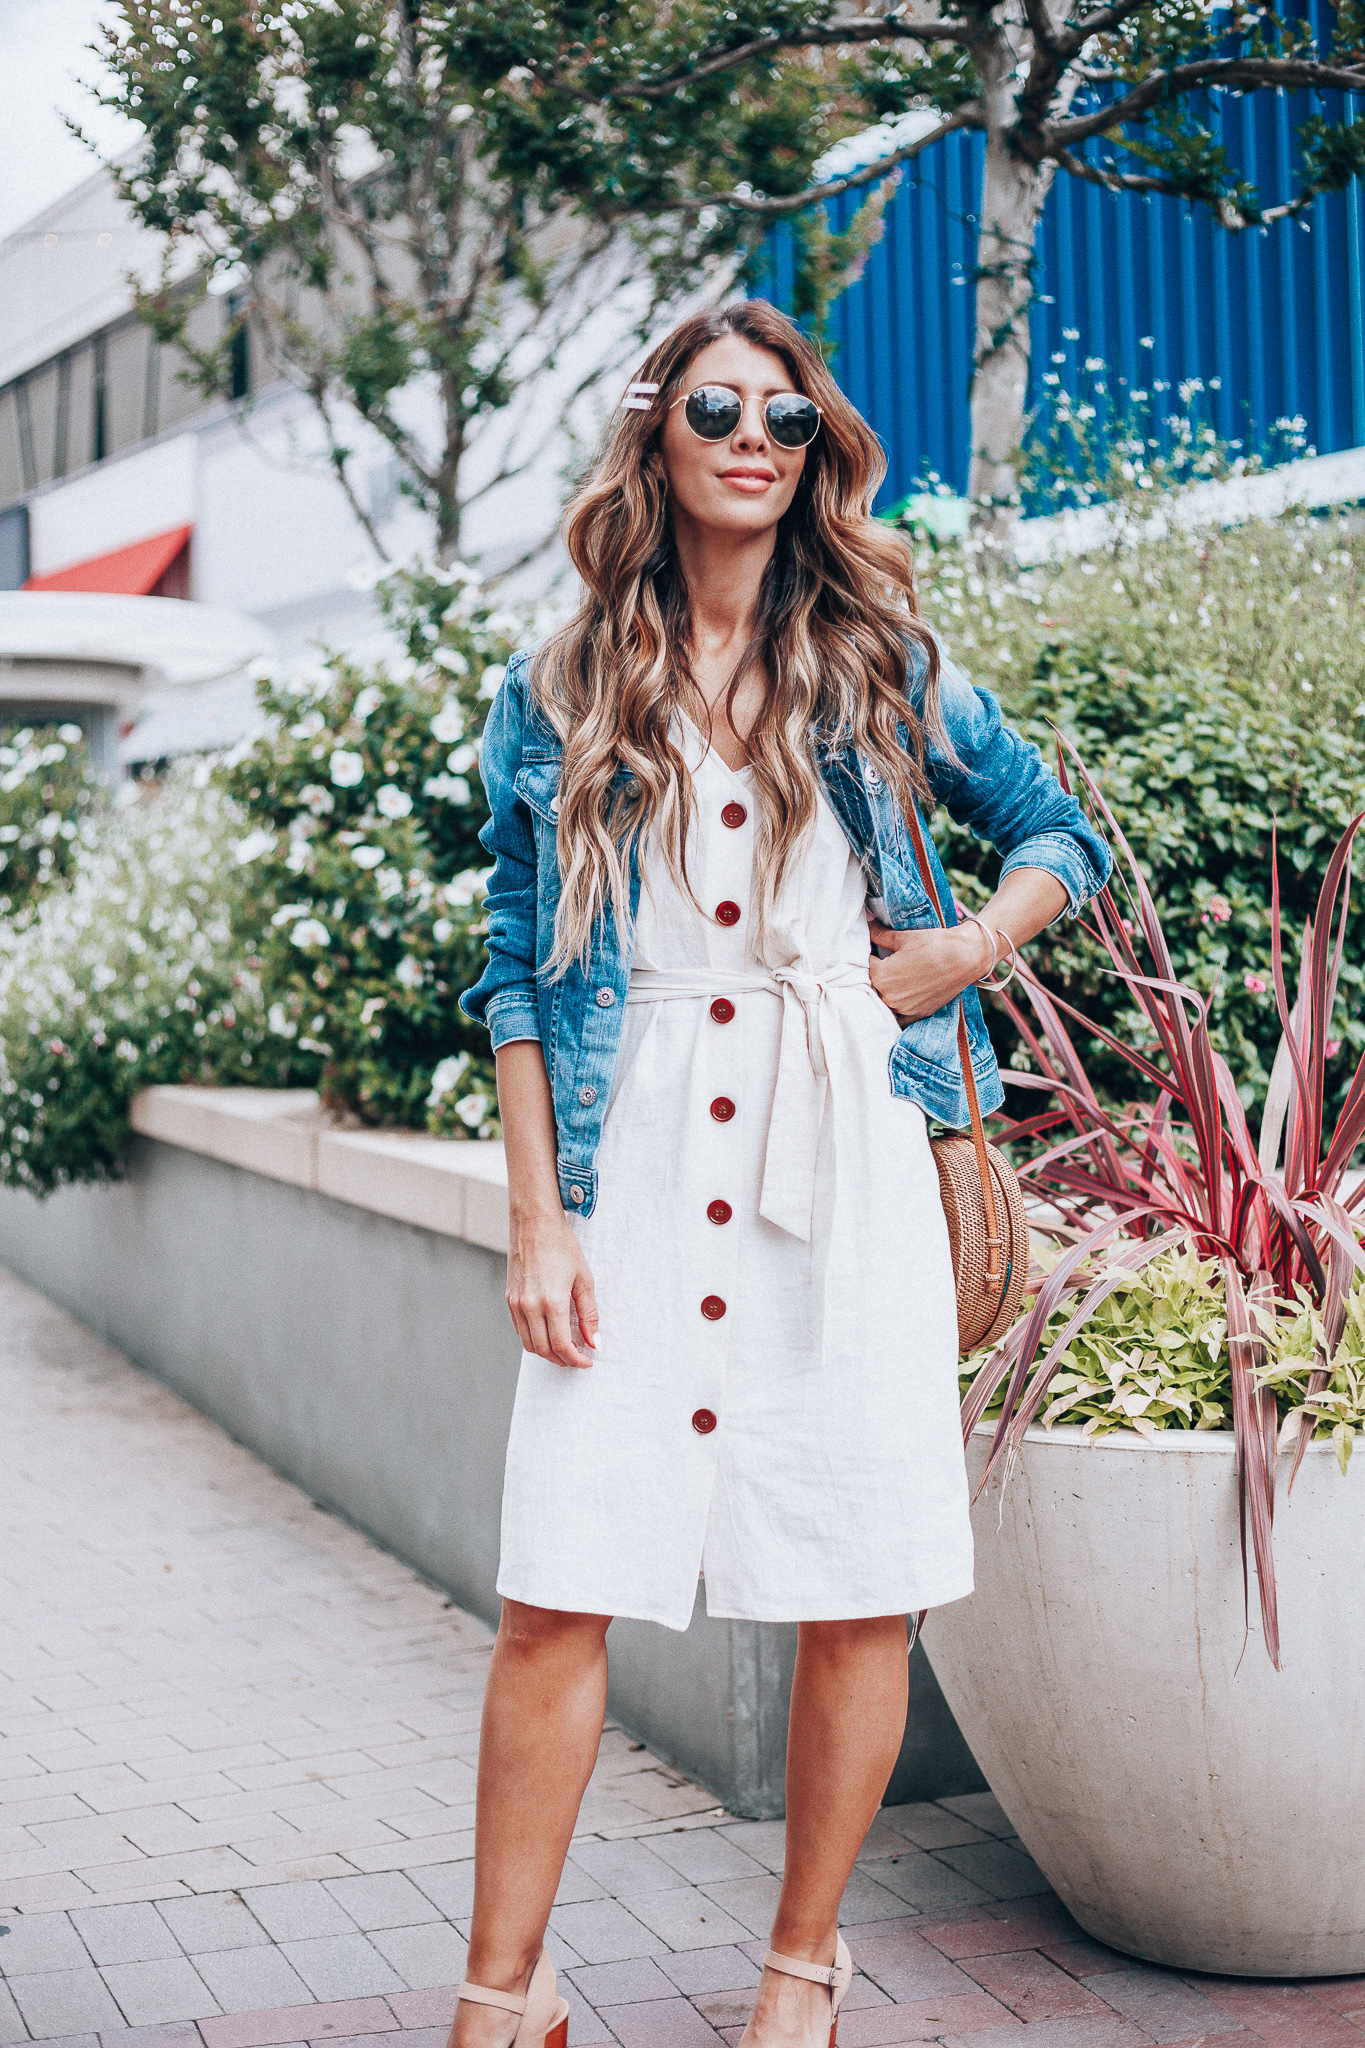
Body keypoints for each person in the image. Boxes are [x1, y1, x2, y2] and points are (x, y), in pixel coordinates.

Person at [454, 301, 1111, 2048]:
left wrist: (964, 949)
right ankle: (500, 1998)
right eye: (720, 410)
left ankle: (799, 1977)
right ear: (657, 434)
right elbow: (516, 963)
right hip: (640, 1155)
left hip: (845, 1141)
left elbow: (1062, 832)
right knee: (554, 1587)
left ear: (815, 450)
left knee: (851, 1578)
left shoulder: (878, 654)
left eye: (790, 420)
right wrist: (540, 1212)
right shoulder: (563, 682)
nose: (756, 440)